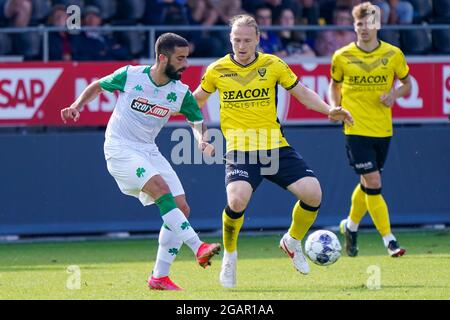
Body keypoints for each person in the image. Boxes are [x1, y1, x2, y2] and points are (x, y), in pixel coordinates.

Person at [193, 14, 353, 288]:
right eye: (236, 40)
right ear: (230, 40)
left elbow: (302, 93)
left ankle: (292, 240)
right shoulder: (217, 70)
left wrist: (330, 110)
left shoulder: (273, 64)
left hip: (274, 146)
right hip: (240, 150)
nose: (241, 46)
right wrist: (200, 135)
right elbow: (193, 103)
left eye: (246, 40)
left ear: (258, 39)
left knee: (313, 193)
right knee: (237, 200)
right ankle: (230, 256)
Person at [60, 33, 221, 291]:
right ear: (162, 57)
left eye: (186, 58)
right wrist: (77, 105)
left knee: (181, 208)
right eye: (180, 58)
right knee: (160, 189)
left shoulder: (181, 92)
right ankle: (198, 246)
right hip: (119, 146)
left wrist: (201, 140)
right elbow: (98, 86)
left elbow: (196, 121)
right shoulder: (131, 75)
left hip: (148, 150)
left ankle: (159, 277)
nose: (185, 64)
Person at [328, 2, 411, 258]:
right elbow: (334, 85)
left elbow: (407, 84)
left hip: (383, 129)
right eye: (359, 24)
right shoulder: (342, 56)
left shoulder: (393, 54)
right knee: (374, 182)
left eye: (369, 23)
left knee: (367, 184)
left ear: (378, 25)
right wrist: (335, 106)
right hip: (355, 128)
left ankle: (350, 227)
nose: (364, 28)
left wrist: (394, 94)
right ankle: (390, 240)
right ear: (354, 26)